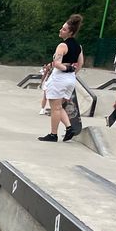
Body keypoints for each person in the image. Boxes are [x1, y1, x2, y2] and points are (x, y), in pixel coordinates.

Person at [38, 13, 84, 142]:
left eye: (64, 29)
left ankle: (53, 134)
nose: (61, 30)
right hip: (70, 79)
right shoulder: (78, 46)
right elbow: (80, 63)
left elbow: (57, 63)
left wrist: (66, 68)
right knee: (59, 106)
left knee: (55, 108)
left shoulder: (62, 46)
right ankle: (69, 128)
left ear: (70, 33)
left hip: (60, 78)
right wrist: (73, 73)